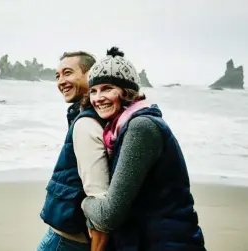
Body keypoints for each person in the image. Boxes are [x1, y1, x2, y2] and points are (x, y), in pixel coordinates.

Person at [75, 47, 206, 251]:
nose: (98, 98)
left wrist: (85, 203)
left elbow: (109, 216)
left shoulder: (141, 128)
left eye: (107, 88)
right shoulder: (123, 127)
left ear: (127, 92)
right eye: (93, 90)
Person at [37, 51, 112, 251]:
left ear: (91, 74)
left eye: (68, 73)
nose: (61, 81)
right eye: (57, 76)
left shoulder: (86, 122)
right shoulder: (92, 114)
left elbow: (98, 196)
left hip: (66, 241)